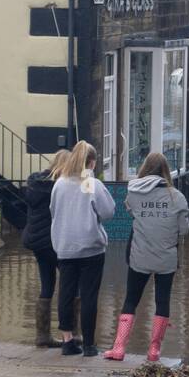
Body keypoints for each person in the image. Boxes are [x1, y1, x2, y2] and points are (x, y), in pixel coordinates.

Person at [104, 153, 189, 363]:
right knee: (162, 300)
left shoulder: (133, 193)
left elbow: (132, 213)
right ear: (165, 171)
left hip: (139, 256)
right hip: (166, 258)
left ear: (145, 168)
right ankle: (154, 350)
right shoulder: (177, 197)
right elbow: (184, 230)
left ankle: (119, 348)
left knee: (131, 299)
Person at [50, 141, 115, 356]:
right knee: (89, 295)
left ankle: (67, 340)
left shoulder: (60, 183)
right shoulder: (89, 182)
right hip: (90, 248)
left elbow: (53, 211)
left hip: (65, 246)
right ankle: (88, 345)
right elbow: (107, 212)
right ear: (92, 162)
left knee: (66, 293)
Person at [22, 150, 70, 348]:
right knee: (70, 286)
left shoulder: (34, 184)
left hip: (37, 243)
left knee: (47, 285)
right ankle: (72, 334)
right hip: (55, 242)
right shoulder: (60, 187)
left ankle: (42, 335)